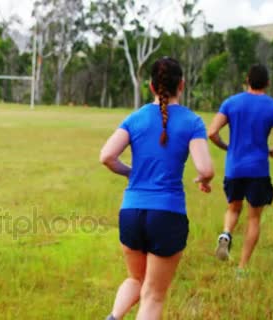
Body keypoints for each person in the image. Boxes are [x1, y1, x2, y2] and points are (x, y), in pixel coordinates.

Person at [100, 57, 214, 320]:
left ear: (151, 87)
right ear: (182, 85)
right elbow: (205, 168)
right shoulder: (192, 121)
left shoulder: (135, 118)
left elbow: (106, 156)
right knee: (153, 295)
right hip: (167, 213)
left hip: (131, 212)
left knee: (136, 280)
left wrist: (131, 172)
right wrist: (204, 180)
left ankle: (114, 317)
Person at [208, 64, 273, 271]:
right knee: (254, 218)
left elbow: (212, 132)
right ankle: (242, 268)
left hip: (234, 167)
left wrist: (226, 147)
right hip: (258, 170)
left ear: (247, 80)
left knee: (233, 208)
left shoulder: (231, 103)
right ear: (268, 83)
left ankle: (226, 233)